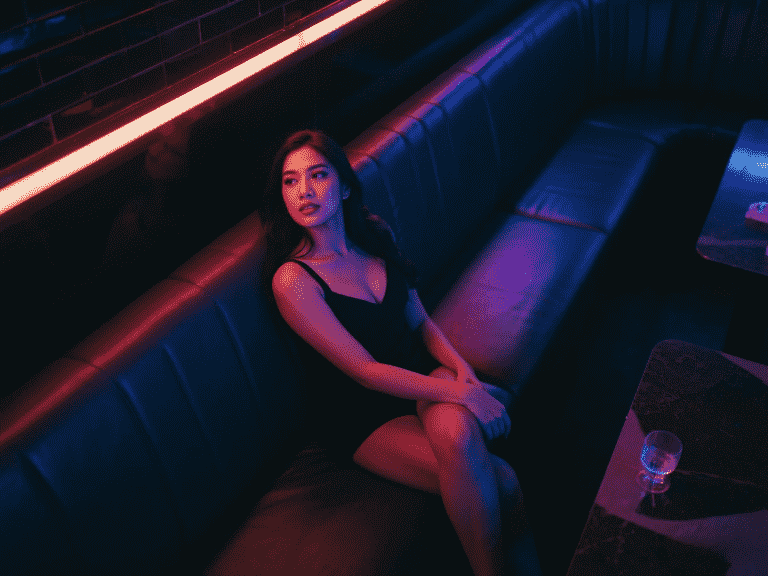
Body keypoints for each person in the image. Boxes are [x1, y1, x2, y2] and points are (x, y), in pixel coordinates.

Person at [261, 130, 541, 576]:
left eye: (318, 175)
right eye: (290, 181)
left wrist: (462, 372)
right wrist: (466, 396)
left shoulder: (374, 234)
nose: (305, 192)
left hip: (418, 376)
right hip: (359, 414)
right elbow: (365, 371)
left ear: (345, 185)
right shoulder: (293, 280)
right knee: (504, 481)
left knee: (458, 437)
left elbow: (421, 322)